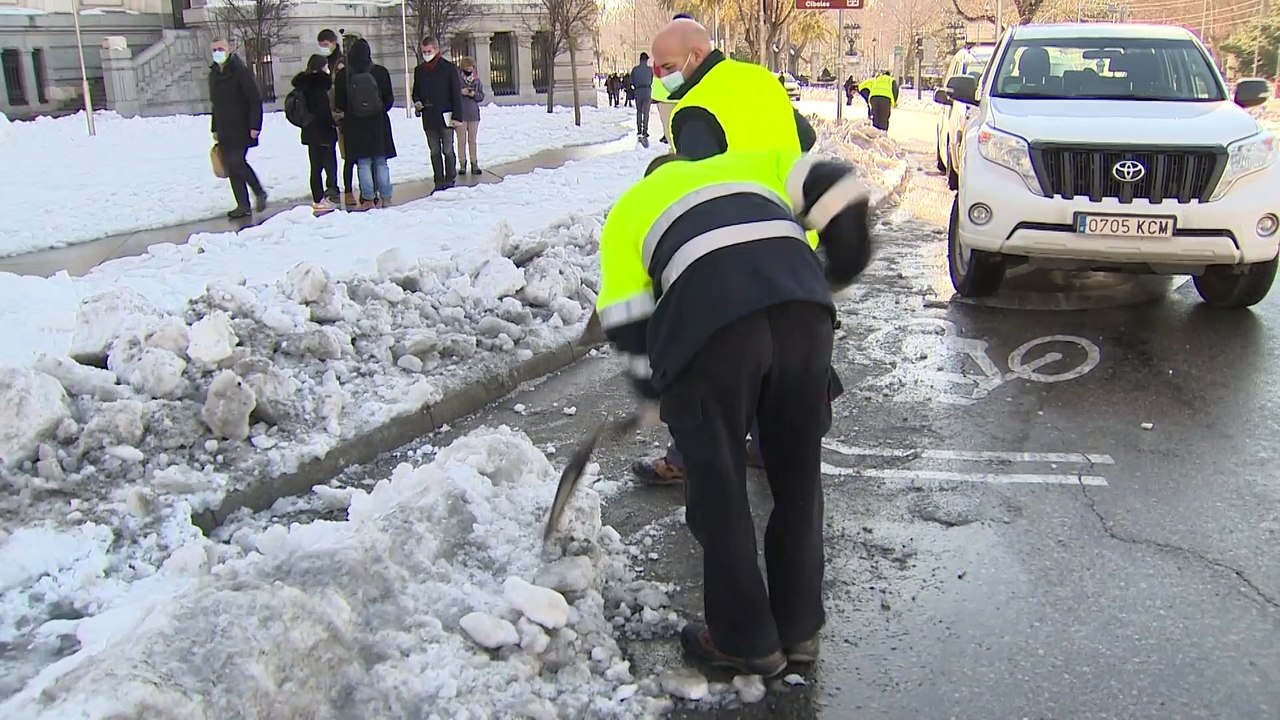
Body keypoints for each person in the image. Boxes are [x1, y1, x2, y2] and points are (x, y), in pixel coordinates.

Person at [596, 148, 873, 675]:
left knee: (718, 485)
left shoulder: (629, 210)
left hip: (711, 328)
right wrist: (836, 269)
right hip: (804, 312)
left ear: (652, 177)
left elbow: (628, 320)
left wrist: (655, 395)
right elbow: (839, 183)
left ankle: (745, 640)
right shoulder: (750, 165)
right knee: (797, 479)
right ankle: (800, 631)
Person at [630, 17, 818, 484]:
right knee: (772, 351)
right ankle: (767, 445)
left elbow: (697, 189)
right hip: (793, 241)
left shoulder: (695, 108)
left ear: (696, 57)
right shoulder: (758, 79)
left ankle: (685, 457)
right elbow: (806, 137)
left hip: (732, 253)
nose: (659, 75)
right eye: (654, 67)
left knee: (708, 355)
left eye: (667, 65)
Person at [334, 37, 396, 210]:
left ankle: (368, 199)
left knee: (363, 162)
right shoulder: (380, 72)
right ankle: (386, 198)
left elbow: (339, 102)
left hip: (355, 124)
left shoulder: (343, 75)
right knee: (381, 162)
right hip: (378, 123)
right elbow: (389, 98)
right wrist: (379, 109)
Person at [208, 37, 267, 219]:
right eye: (214, 49)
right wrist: (215, 128)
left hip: (242, 126)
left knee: (237, 161)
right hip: (225, 127)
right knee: (232, 167)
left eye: (221, 48)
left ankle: (259, 191)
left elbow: (254, 99)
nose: (218, 52)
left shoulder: (240, 71)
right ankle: (242, 204)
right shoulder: (214, 74)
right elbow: (215, 104)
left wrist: (255, 125)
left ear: (229, 49)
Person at [412, 36, 464, 191]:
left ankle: (450, 179)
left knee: (447, 149)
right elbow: (416, 92)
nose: (426, 54)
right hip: (429, 116)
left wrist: (457, 116)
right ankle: (438, 181)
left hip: (446, 115)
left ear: (436, 49)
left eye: (429, 51)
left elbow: (456, 94)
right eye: (424, 51)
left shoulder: (448, 68)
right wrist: (417, 101)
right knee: (434, 150)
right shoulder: (420, 70)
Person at [291, 54, 340, 213]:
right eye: (326, 66)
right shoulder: (319, 87)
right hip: (322, 131)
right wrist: (332, 125)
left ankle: (318, 197)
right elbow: (323, 112)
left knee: (315, 165)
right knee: (322, 165)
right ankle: (319, 199)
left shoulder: (303, 85)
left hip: (309, 131)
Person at [318, 29, 356, 207]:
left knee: (346, 152)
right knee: (328, 152)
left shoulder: (341, 62)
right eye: (321, 46)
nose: (323, 48)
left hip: (339, 111)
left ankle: (347, 187)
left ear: (333, 43)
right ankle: (331, 185)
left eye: (326, 45)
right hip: (325, 112)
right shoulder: (322, 62)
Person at [454, 55, 485, 177]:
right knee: (461, 141)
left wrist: (473, 94)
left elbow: (481, 96)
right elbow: (452, 94)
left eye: (471, 67)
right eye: (467, 67)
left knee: (472, 140)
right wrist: (461, 92)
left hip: (473, 115)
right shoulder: (457, 80)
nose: (469, 69)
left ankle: (474, 163)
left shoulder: (476, 81)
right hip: (461, 114)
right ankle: (462, 163)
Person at [630, 52, 654, 139]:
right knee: (646, 112)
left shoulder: (635, 70)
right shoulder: (650, 70)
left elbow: (631, 82)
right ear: (646, 60)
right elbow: (652, 81)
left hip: (638, 91)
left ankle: (639, 130)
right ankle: (645, 131)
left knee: (639, 111)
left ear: (640, 60)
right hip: (647, 91)